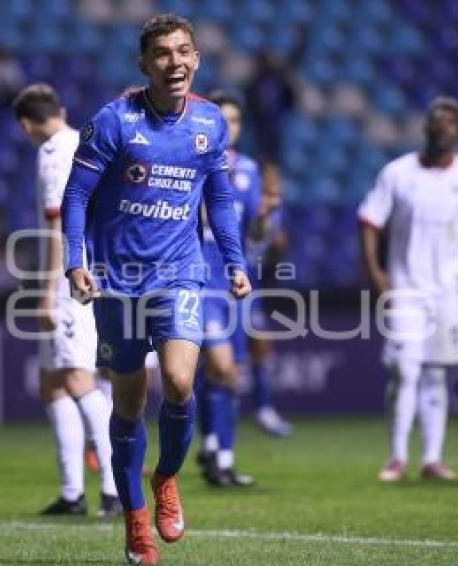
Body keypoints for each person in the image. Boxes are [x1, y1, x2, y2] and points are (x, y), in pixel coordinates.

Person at [61, 14, 251, 565]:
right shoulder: (114, 121)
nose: (176, 62)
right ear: (144, 65)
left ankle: (167, 477)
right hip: (118, 282)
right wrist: (75, 263)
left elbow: (219, 199)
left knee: (178, 379)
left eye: (185, 52)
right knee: (127, 404)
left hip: (181, 273)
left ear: (198, 60)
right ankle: (134, 519)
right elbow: (76, 197)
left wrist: (235, 262)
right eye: (164, 54)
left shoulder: (210, 123)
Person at [358, 96, 458, 482]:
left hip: (446, 292)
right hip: (405, 288)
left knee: (436, 374)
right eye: (436, 125)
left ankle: (432, 459)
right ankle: (396, 457)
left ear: (457, 132)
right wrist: (375, 271)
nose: (441, 131)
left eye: (448, 126)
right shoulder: (398, 173)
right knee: (405, 372)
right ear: (425, 129)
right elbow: (370, 221)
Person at [12, 83, 120, 517]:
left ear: (25, 124)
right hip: (90, 270)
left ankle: (112, 489)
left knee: (77, 380)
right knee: (53, 383)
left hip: (70, 278)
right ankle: (73, 492)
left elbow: (62, 226)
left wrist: (48, 291)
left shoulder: (55, 155)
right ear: (62, 109)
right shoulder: (84, 142)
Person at [194, 90, 266, 488]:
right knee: (220, 365)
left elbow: (254, 235)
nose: (230, 128)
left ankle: (220, 455)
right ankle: (213, 452)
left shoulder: (249, 170)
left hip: (233, 283)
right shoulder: (191, 163)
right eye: (223, 119)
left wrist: (265, 221)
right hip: (199, 281)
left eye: (236, 121)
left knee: (229, 373)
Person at [246, 160, 294, 439]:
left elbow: (267, 259)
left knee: (261, 344)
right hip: (224, 281)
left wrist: (276, 252)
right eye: (269, 191)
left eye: (278, 192)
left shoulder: (276, 215)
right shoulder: (246, 206)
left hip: (251, 284)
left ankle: (264, 409)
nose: (275, 197)